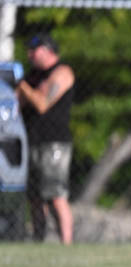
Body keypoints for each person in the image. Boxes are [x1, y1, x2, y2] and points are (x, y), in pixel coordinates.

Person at [16, 33, 76, 245]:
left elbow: (42, 104)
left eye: (35, 50)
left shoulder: (62, 72)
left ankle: (66, 243)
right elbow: (16, 106)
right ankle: (38, 241)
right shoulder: (32, 77)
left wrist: (22, 86)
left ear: (48, 50)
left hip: (54, 143)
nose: (30, 54)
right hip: (31, 140)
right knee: (34, 197)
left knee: (56, 195)